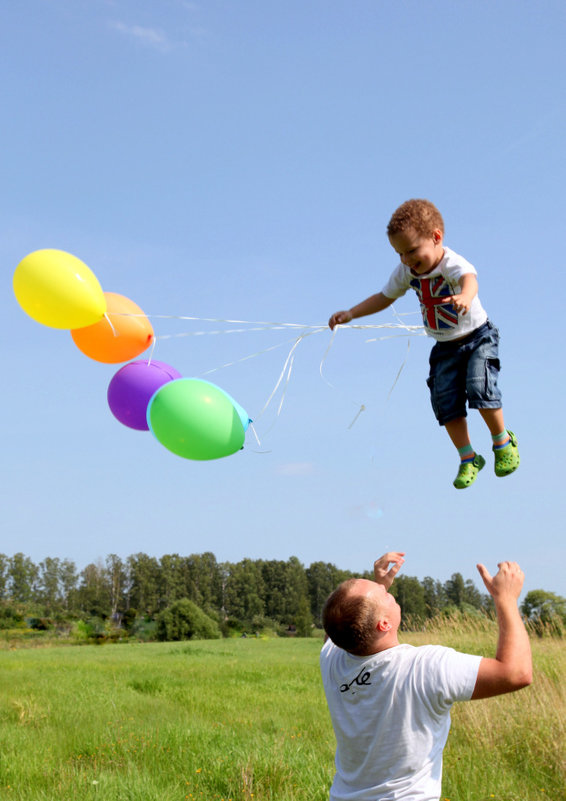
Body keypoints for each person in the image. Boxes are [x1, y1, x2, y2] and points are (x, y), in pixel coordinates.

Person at [328, 199, 520, 489]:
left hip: (477, 337)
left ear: (436, 237)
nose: (406, 259)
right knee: (445, 402)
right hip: (445, 347)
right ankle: (468, 458)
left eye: (412, 251)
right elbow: (384, 297)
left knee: (479, 386)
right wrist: (351, 313)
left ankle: (502, 441)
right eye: (399, 253)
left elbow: (470, 280)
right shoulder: (406, 271)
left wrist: (466, 297)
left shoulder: (452, 263)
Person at [320, 551, 532, 801]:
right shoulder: (423, 667)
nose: (387, 591)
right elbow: (516, 673)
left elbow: (340, 626)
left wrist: (378, 588)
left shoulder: (333, 660)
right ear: (384, 625)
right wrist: (505, 598)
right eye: (385, 594)